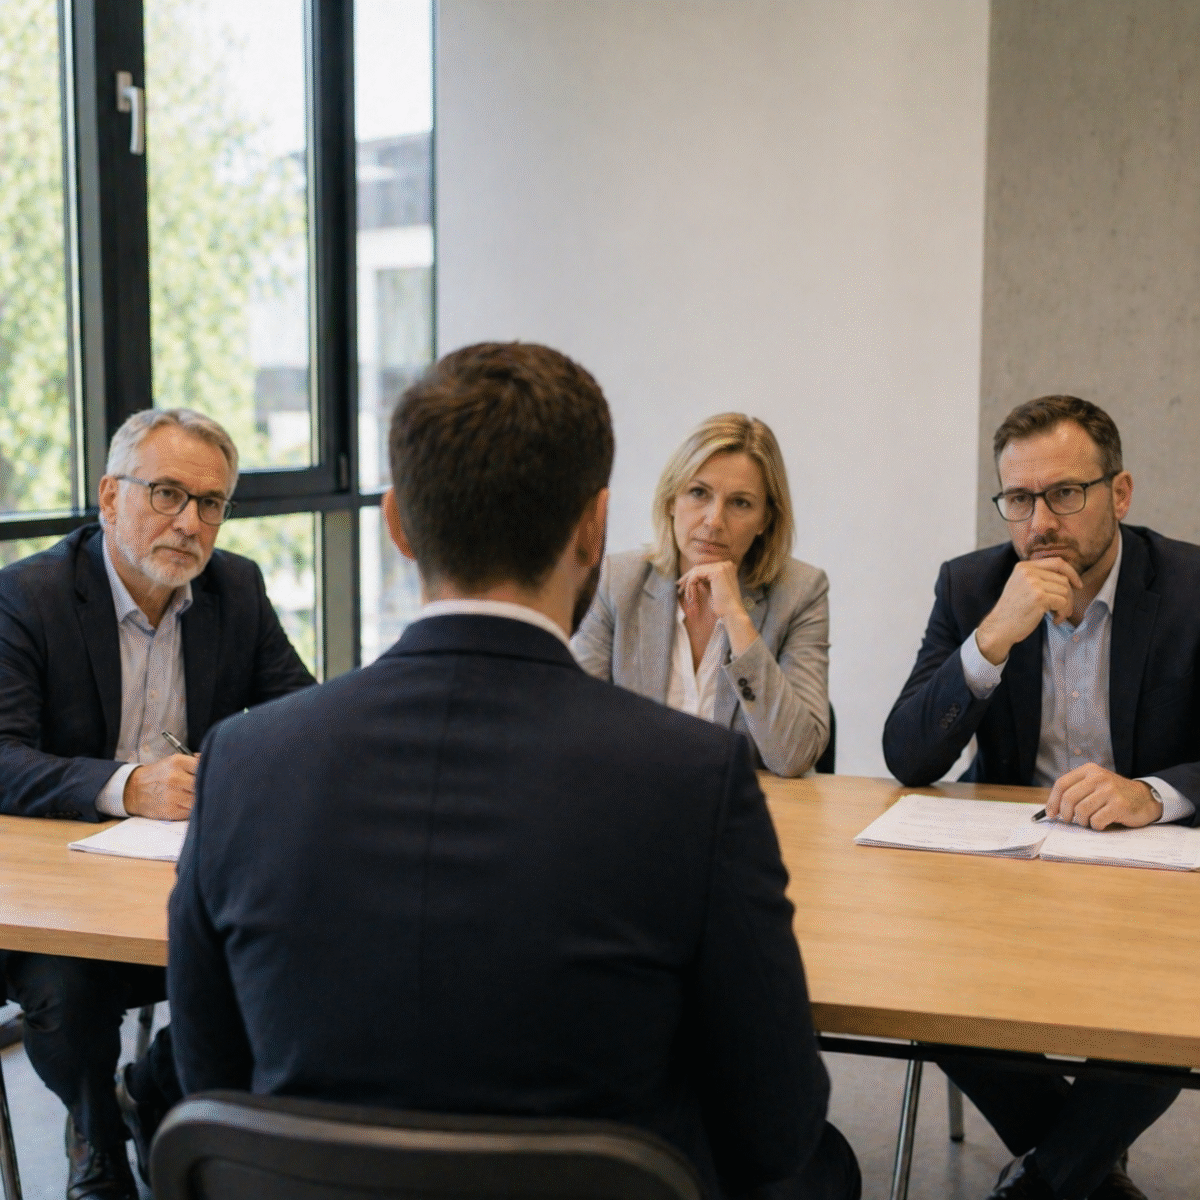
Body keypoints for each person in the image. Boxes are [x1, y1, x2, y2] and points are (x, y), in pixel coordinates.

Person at [168, 342, 860, 1200]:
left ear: (397, 525)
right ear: (594, 529)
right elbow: (775, 1126)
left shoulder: (242, 762)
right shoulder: (695, 780)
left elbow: (207, 1082)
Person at [883, 394, 1199, 1200]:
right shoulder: (973, 585)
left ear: (1119, 493)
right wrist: (991, 639)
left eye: (1065, 493)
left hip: (1149, 872)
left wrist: (1153, 793)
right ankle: (1075, 1173)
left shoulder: (1190, 586)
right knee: (925, 977)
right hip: (1010, 868)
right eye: (1019, 499)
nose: (1041, 523)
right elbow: (908, 755)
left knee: (1175, 1001)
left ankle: (1046, 1180)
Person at [0, 408, 315, 1200]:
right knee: (65, 990)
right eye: (167, 493)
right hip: (61, 881)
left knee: (287, 945)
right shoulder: (28, 596)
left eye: (210, 503)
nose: (190, 523)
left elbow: (304, 719)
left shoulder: (235, 587)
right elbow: (0, 756)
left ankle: (157, 1091)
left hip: (181, 872)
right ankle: (95, 1133)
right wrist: (128, 785)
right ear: (111, 498)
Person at [572, 413, 829, 777]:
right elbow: (576, 727)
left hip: (744, 805)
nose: (714, 520)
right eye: (698, 493)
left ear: (765, 520)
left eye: (740, 503)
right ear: (671, 500)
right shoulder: (617, 582)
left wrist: (737, 620)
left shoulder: (800, 593)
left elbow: (795, 756)